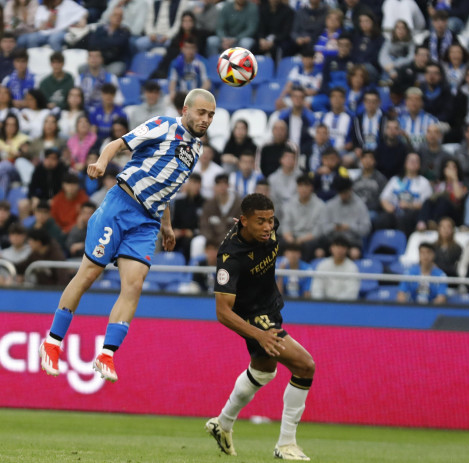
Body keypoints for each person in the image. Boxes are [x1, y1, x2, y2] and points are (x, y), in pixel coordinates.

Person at [38, 88, 217, 382]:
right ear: (185, 110)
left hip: (148, 221)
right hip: (120, 206)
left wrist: (167, 226)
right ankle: (52, 342)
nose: (206, 119)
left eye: (210, 115)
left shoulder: (195, 149)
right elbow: (117, 143)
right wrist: (101, 162)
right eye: (201, 112)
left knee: (134, 284)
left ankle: (106, 354)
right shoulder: (163, 125)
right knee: (88, 274)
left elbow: (165, 188)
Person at [206, 193, 315, 461]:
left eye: (269, 220)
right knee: (304, 366)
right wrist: (259, 335)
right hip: (253, 317)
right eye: (260, 222)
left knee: (264, 372)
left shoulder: (269, 226)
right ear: (244, 221)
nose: (268, 227)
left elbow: (267, 223)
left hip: (271, 308)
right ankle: (286, 444)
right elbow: (222, 312)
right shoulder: (230, 258)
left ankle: (222, 423)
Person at [17, 0, 87, 51]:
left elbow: (83, 12)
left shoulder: (68, 3)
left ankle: (58, 61)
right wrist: (48, 21)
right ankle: (35, 61)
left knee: (54, 39)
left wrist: (83, 19)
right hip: (45, 33)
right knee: (32, 39)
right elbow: (39, 27)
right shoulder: (43, 7)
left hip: (62, 31)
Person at [310, 235, 360, 300]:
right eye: (337, 246)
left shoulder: (352, 268)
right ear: (331, 248)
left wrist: (336, 304)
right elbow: (316, 288)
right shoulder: (323, 265)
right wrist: (321, 303)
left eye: (343, 247)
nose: (340, 250)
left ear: (347, 250)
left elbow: (351, 292)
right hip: (323, 305)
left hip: (343, 306)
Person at [200, 173, 243, 248]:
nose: (222, 187)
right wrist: (212, 240)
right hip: (213, 240)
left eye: (224, 183)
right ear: (215, 186)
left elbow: (241, 224)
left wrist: (227, 237)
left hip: (232, 238)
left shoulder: (238, 204)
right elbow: (204, 224)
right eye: (219, 184)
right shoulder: (209, 204)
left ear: (228, 185)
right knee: (198, 242)